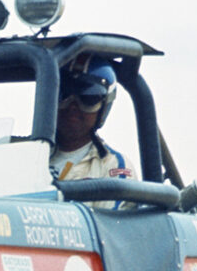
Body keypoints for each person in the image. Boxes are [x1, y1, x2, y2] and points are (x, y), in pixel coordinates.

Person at [50, 55, 136, 209]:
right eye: (65, 95)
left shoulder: (111, 166)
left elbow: (110, 228)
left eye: (88, 97)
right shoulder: (25, 152)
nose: (73, 106)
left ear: (104, 106)